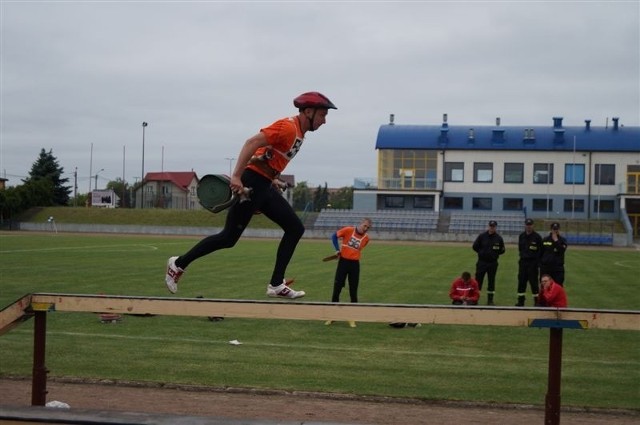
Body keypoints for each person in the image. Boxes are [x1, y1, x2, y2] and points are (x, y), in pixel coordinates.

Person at [165, 92, 337, 298]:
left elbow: (264, 155)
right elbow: (251, 143)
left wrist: (273, 179)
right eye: (322, 115)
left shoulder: (299, 133)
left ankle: (276, 284)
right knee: (228, 238)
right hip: (252, 182)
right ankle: (178, 264)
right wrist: (236, 176)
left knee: (295, 228)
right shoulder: (288, 127)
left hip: (263, 185)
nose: (324, 121)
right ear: (308, 111)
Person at [325, 218, 372, 328]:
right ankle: (332, 316)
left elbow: (358, 250)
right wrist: (337, 250)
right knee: (337, 289)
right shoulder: (348, 230)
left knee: (353, 291)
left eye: (368, 228)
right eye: (364, 226)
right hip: (343, 263)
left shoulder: (366, 238)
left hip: (355, 265)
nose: (365, 229)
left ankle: (352, 318)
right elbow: (334, 236)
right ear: (360, 223)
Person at [472, 220, 505, 305]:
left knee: (491, 281)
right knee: (478, 281)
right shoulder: (482, 236)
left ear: (495, 227)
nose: (492, 228)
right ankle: (475, 299)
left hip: (492, 263)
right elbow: (475, 246)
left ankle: (490, 300)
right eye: (490, 226)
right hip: (482, 262)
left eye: (493, 226)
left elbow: (502, 250)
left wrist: (494, 255)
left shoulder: (499, 238)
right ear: (488, 226)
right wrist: (481, 253)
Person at [516, 218, 543, 307]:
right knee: (521, 282)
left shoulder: (537, 237)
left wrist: (538, 263)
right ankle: (520, 301)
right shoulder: (521, 236)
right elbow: (520, 249)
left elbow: (540, 251)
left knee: (534, 283)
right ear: (525, 225)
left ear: (533, 225)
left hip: (533, 263)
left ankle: (536, 301)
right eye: (527, 225)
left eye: (530, 225)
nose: (528, 226)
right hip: (523, 262)